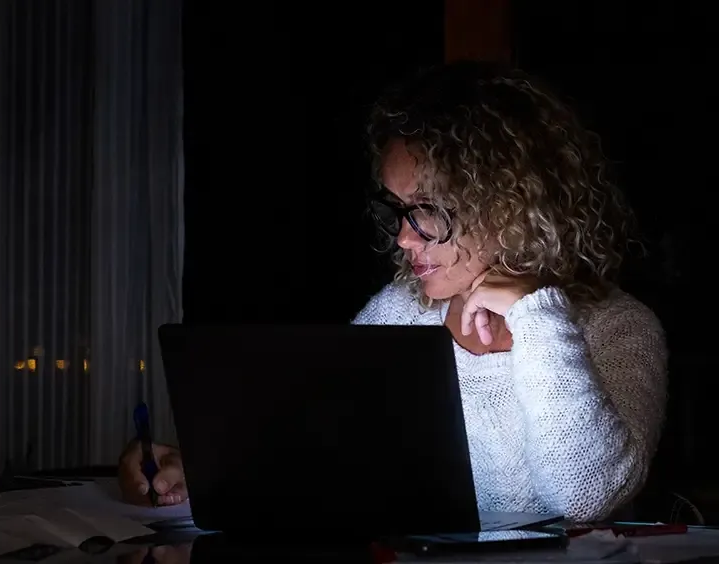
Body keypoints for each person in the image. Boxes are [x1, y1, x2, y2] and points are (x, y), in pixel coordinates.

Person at [118, 61, 669, 522]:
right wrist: (196, 468)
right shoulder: (401, 311)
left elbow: (585, 496)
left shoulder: (618, 328)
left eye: (427, 209)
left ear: (511, 206)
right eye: (399, 210)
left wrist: (538, 318)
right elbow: (319, 451)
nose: (405, 237)